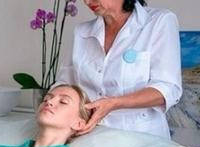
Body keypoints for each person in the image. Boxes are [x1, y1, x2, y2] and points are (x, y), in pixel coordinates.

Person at [56, 0, 182, 138]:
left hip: (141, 138)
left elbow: (168, 88)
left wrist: (114, 103)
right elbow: (65, 84)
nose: (87, 1)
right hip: (89, 136)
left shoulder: (159, 21)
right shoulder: (81, 31)